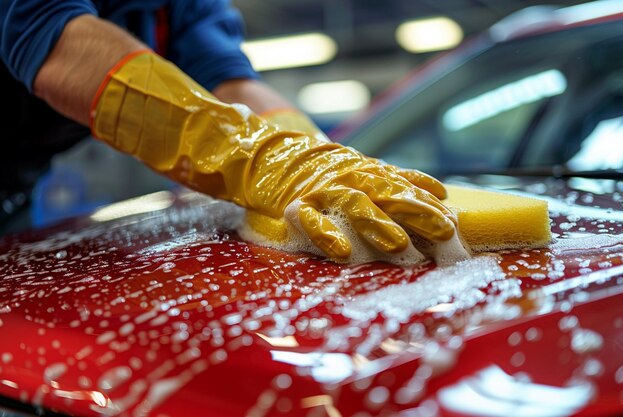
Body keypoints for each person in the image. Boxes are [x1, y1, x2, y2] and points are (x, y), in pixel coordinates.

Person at [0, 0, 457, 260]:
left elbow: (231, 83)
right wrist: (259, 160)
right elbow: (55, 41)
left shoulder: (185, 7)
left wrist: (316, 159)